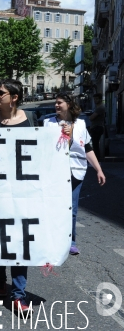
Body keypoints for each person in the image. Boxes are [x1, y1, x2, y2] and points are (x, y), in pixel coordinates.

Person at [0, 79, 36, 316]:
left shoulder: (30, 120)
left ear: (14, 97)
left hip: (22, 191)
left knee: (18, 240)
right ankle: (0, 277)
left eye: (1, 93)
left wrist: (66, 135)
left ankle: (18, 294)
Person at [44, 93, 106, 255]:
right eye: (55, 103)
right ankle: (51, 239)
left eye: (60, 103)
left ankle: (70, 241)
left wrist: (98, 170)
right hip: (54, 172)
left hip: (76, 171)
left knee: (72, 208)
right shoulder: (48, 123)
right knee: (53, 207)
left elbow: (87, 148)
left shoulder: (80, 124)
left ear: (69, 105)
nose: (56, 105)